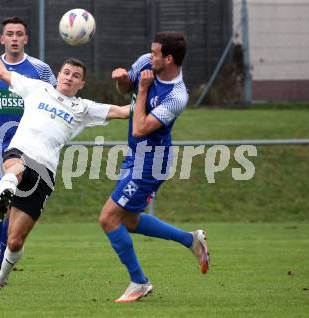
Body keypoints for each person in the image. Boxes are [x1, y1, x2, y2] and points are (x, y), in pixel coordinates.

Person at [0, 21, 130, 296]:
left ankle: (0, 280)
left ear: (82, 83)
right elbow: (0, 71)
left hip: (44, 173)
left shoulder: (84, 108)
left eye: (75, 75)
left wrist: (135, 84)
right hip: (19, 153)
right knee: (12, 170)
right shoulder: (37, 89)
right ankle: (8, 187)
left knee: (15, 240)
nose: (69, 77)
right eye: (66, 72)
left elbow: (125, 111)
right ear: (58, 75)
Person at [98, 32, 210, 302]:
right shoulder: (146, 62)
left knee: (108, 219)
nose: (150, 56)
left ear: (169, 58)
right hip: (135, 156)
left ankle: (139, 282)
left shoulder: (176, 96)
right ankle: (190, 240)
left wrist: (144, 89)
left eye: (156, 53)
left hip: (151, 162)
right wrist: (123, 80)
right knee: (130, 220)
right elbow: (126, 90)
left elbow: (138, 128)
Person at [0, 16, 57, 284]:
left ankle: (4, 259)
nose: (15, 38)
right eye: (10, 34)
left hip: (26, 148)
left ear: (26, 39)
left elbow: (55, 101)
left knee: (9, 209)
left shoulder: (40, 70)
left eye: (20, 33)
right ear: (2, 39)